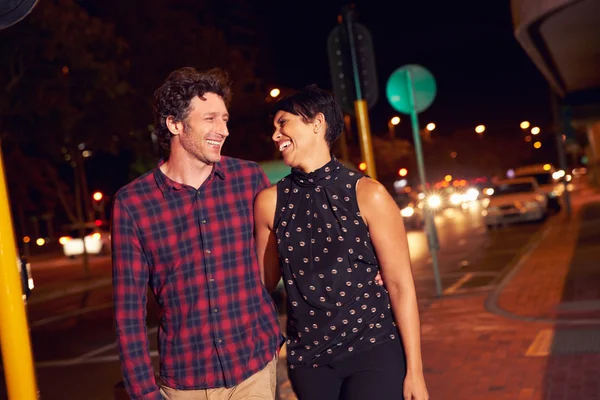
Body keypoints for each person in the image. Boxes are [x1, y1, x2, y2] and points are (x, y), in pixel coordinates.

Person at [112, 67, 282, 400]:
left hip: (255, 369)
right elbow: (127, 313)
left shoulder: (249, 179)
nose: (224, 130)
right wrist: (145, 394)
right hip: (186, 382)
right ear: (174, 124)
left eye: (225, 119)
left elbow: (288, 252)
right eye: (210, 119)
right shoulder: (133, 204)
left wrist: (361, 267)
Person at [254, 85, 429, 400]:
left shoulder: (368, 194)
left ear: (317, 123)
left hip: (373, 348)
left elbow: (401, 286)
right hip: (309, 360)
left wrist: (415, 371)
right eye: (274, 128)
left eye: (283, 123)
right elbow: (263, 283)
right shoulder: (269, 202)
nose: (275, 135)